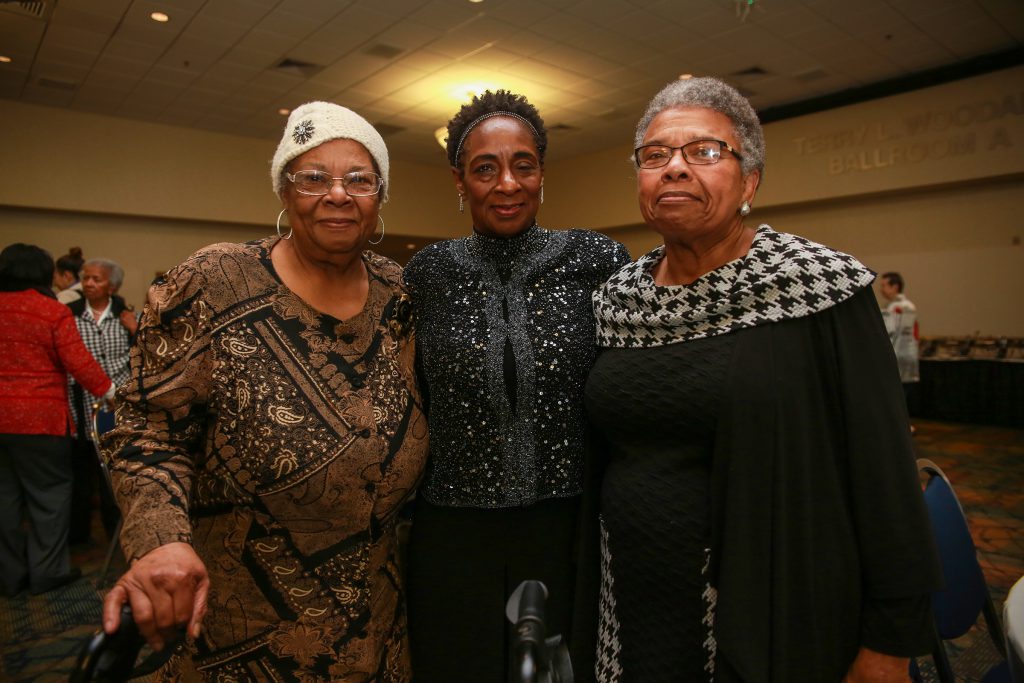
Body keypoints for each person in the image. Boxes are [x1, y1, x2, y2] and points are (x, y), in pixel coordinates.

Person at [585, 78, 940, 682]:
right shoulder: (617, 299)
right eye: (655, 154)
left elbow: (883, 470)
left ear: (749, 182)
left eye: (705, 151)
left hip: (772, 600)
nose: (675, 167)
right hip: (631, 592)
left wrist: (891, 639)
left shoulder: (819, 286)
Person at [100, 102, 428, 682]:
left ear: (379, 197)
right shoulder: (214, 281)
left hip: (376, 623)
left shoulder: (400, 293)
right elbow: (144, 427)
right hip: (241, 631)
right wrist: (159, 539)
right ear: (284, 190)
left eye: (359, 179)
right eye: (313, 177)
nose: (337, 194)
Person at [403, 90, 630, 683]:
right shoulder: (426, 274)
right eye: (485, 168)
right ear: (460, 181)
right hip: (453, 532)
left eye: (522, 165)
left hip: (567, 525)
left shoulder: (597, 260)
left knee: (558, 670)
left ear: (542, 173)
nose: (507, 184)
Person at [0, 243, 114, 597]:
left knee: (4, 499)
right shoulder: (51, 311)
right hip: (40, 420)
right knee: (48, 497)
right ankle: (47, 572)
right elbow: (78, 362)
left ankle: (8, 575)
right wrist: (112, 393)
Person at [67, 258, 138, 544]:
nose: (88, 283)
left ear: (112, 286)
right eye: (85, 278)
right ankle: (79, 537)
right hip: (80, 406)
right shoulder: (69, 315)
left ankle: (115, 536)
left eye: (96, 279)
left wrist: (135, 329)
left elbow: (144, 356)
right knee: (80, 477)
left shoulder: (125, 315)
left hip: (117, 410)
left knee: (114, 475)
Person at [880, 271, 920, 416]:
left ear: (895, 287)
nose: (881, 289)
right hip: (898, 354)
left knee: (900, 396)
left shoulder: (904, 307)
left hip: (901, 355)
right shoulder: (892, 306)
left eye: (884, 285)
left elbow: (894, 333)